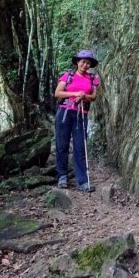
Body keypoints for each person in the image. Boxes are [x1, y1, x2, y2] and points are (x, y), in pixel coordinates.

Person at [54, 50, 100, 192]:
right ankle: (62, 176)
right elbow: (58, 93)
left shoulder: (93, 78)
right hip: (65, 112)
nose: (85, 65)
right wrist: (75, 94)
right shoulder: (69, 76)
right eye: (83, 62)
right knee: (62, 144)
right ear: (77, 62)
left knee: (80, 146)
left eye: (88, 63)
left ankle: (82, 181)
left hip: (81, 113)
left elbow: (93, 96)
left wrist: (84, 96)